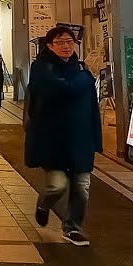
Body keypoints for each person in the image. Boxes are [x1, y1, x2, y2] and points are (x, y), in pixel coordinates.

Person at [26, 26, 102, 247]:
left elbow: (92, 106)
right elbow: (53, 89)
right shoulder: (41, 68)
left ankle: (72, 228)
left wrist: (95, 138)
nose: (67, 46)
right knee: (57, 186)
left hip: (80, 138)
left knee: (82, 187)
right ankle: (44, 203)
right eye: (60, 42)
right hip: (52, 139)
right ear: (50, 46)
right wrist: (80, 82)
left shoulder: (81, 68)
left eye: (70, 41)